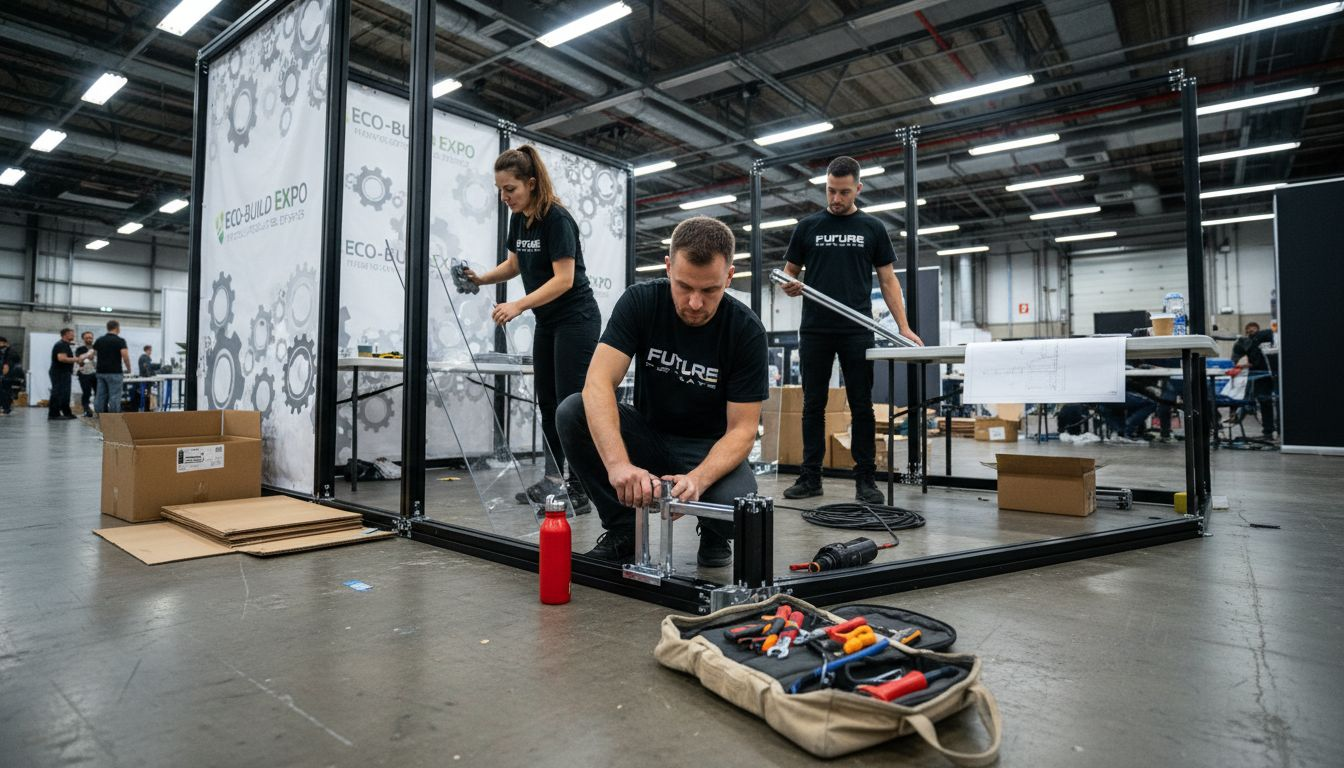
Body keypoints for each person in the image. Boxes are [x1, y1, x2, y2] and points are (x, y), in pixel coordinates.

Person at [557, 216, 767, 567]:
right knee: (572, 411)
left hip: (707, 448)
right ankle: (623, 531)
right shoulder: (641, 302)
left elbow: (743, 430)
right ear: (668, 267)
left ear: (729, 277)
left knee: (737, 510)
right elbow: (598, 384)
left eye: (710, 290)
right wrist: (619, 465)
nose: (695, 303)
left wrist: (698, 480)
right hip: (649, 434)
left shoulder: (746, 331)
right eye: (684, 286)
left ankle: (714, 532)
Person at [464, 145, 601, 513]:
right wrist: (481, 278)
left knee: (570, 406)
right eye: (500, 190)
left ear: (531, 183)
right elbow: (514, 265)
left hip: (577, 320)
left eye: (510, 189)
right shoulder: (519, 219)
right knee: (548, 403)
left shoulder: (557, 219)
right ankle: (554, 480)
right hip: (548, 322)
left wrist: (518, 305)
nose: (504, 197)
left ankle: (581, 488)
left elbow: (564, 280)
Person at [778, 156, 924, 503]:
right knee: (813, 405)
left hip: (858, 328)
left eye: (844, 192)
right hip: (815, 329)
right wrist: (788, 285)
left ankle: (866, 480)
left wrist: (903, 327)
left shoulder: (872, 228)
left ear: (858, 188)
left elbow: (888, 280)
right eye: (831, 191)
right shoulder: (808, 227)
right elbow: (788, 273)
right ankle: (810, 478)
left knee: (862, 406)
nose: (836, 198)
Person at [1232, 321, 1276, 438]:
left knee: (1267, 402)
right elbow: (1236, 356)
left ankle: (1271, 430)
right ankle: (1268, 430)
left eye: (1252, 330)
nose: (1249, 333)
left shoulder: (1264, 336)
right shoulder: (1247, 343)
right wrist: (1243, 365)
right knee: (1262, 401)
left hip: (1268, 375)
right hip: (1257, 376)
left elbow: (1270, 333)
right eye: (1248, 331)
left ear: (1257, 329)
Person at [93, 320, 131, 415]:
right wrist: (129, 369)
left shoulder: (99, 340)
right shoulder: (120, 341)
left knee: (100, 395)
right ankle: (114, 417)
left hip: (100, 372)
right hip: (115, 372)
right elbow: (125, 356)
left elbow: (93, 355)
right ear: (117, 328)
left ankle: (99, 415)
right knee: (114, 395)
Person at [48, 328, 78, 420]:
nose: (73, 336)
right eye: (71, 334)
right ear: (66, 334)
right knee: (58, 393)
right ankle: (53, 414)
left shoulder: (65, 345)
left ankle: (67, 412)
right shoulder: (61, 345)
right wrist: (77, 359)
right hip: (59, 372)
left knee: (65, 393)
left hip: (64, 372)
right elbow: (62, 358)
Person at [75, 331, 97, 416]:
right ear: (83, 339)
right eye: (87, 338)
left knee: (98, 392)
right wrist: (87, 357)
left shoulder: (97, 348)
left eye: (90, 337)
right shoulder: (80, 349)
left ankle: (98, 409)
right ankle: (86, 410)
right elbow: (79, 361)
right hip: (84, 374)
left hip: (96, 373)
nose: (89, 339)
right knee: (87, 392)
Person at [0, 336, 14, 415]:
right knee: (5, 391)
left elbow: (6, 365)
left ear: (3, 343)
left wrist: (2, 376)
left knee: (4, 391)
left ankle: (6, 408)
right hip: (6, 374)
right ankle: (6, 408)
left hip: (6, 375)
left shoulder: (7, 351)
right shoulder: (6, 350)